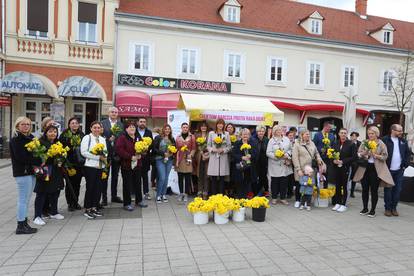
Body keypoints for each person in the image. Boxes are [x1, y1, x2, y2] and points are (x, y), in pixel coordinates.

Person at [353, 126, 394, 218]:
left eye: (372, 133)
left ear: (376, 134)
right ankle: (365, 208)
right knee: (365, 189)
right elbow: (358, 153)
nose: (370, 135)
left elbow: (385, 157)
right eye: (369, 133)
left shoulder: (381, 143)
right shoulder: (365, 142)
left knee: (374, 190)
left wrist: (375, 155)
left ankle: (373, 210)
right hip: (365, 168)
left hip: (376, 169)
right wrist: (365, 153)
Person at [10, 117, 40, 234]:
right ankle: (20, 225)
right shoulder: (16, 139)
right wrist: (37, 160)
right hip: (22, 172)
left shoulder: (31, 137)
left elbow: (37, 152)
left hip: (31, 172)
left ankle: (24, 222)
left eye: (28, 124)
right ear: (18, 126)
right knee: (23, 199)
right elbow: (21, 157)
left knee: (27, 199)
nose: (26, 126)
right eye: (23, 124)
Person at [33, 125, 65, 225]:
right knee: (41, 193)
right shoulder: (41, 143)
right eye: (50, 131)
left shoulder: (58, 142)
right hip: (45, 171)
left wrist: (61, 158)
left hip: (56, 171)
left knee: (55, 191)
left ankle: (54, 212)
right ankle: (37, 216)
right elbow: (36, 157)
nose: (53, 133)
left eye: (55, 132)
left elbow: (62, 155)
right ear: (46, 132)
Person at [116, 121, 148, 211]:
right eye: (130, 127)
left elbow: (144, 148)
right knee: (127, 184)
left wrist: (143, 153)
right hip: (127, 165)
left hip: (137, 165)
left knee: (138, 183)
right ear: (126, 129)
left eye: (133, 127)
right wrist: (130, 157)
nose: (132, 128)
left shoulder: (138, 137)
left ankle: (139, 200)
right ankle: (127, 203)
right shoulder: (122, 138)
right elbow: (119, 150)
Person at [382, 124, 411, 217]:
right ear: (393, 130)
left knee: (397, 190)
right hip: (388, 170)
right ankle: (387, 208)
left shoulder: (403, 141)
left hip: (399, 170)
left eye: (401, 130)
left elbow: (408, 153)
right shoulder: (385, 140)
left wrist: (405, 165)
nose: (401, 132)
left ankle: (394, 208)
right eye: (399, 130)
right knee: (388, 190)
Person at [81, 121, 107, 219]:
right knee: (90, 188)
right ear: (91, 128)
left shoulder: (102, 139)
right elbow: (83, 152)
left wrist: (104, 157)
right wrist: (97, 157)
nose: (97, 129)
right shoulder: (87, 138)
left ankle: (94, 207)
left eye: (98, 128)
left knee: (98, 188)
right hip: (90, 167)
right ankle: (87, 208)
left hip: (100, 167)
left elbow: (105, 151)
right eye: (94, 127)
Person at [292, 129, 324, 208]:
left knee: (309, 184)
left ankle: (306, 201)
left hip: (310, 169)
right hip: (301, 168)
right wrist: (298, 169)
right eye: (306, 134)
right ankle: (297, 200)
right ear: (301, 135)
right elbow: (294, 157)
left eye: (309, 134)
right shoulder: (297, 144)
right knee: (299, 184)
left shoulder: (312, 143)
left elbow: (316, 153)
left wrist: (319, 159)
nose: (308, 136)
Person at [59, 117, 85, 212]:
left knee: (77, 184)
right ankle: (70, 203)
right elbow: (60, 148)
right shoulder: (64, 135)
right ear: (69, 125)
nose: (74, 125)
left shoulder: (82, 135)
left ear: (78, 125)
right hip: (68, 163)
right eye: (72, 123)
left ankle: (76, 202)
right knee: (69, 184)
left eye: (76, 123)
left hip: (78, 163)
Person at [330, 128, 357, 213]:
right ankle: (338, 203)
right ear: (339, 134)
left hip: (346, 168)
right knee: (337, 186)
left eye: (345, 133)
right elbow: (331, 154)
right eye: (341, 133)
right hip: (337, 168)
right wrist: (333, 160)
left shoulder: (351, 144)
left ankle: (343, 204)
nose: (343, 134)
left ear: (347, 134)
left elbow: (354, 157)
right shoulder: (335, 143)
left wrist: (343, 161)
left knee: (345, 186)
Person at [101, 107, 124, 205]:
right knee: (104, 176)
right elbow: (99, 137)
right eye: (112, 112)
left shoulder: (121, 124)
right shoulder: (102, 123)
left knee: (115, 176)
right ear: (108, 113)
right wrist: (108, 140)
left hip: (117, 155)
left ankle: (114, 196)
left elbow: (123, 138)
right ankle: (104, 198)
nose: (114, 113)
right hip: (106, 154)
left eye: (116, 112)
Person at [266, 126, 292, 205]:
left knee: (284, 182)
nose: (279, 131)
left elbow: (290, 149)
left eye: (280, 130)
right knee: (275, 182)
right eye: (277, 130)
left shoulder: (287, 139)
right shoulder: (271, 140)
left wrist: (287, 155)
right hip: (275, 164)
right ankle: (274, 198)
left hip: (284, 164)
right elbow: (268, 152)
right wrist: (276, 156)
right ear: (274, 131)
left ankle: (283, 198)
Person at [153, 124, 176, 203]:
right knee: (162, 177)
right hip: (159, 159)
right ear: (163, 130)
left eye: (168, 129)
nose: (167, 130)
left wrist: (172, 152)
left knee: (166, 178)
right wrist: (163, 154)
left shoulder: (172, 138)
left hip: (169, 160)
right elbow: (154, 149)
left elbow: (174, 148)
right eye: (166, 129)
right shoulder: (158, 138)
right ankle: (158, 195)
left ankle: (163, 194)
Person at [207, 119, 231, 195]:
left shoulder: (226, 134)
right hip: (214, 157)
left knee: (222, 178)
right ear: (216, 125)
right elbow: (208, 145)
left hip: (223, 158)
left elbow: (229, 146)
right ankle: (213, 195)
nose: (220, 125)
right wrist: (212, 149)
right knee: (213, 178)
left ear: (224, 125)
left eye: (222, 124)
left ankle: (221, 195)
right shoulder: (211, 133)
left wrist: (223, 150)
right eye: (219, 124)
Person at [232, 128, 257, 198]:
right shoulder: (237, 143)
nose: (245, 136)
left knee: (247, 182)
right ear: (241, 135)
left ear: (249, 135)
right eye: (244, 134)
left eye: (247, 134)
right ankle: (240, 197)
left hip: (249, 167)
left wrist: (250, 155)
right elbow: (233, 154)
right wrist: (242, 157)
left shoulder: (252, 143)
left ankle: (245, 198)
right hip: (240, 166)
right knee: (239, 182)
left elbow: (256, 153)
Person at [175, 123, 196, 202]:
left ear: (188, 128)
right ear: (181, 128)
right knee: (180, 177)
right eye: (184, 127)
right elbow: (176, 149)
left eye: (186, 127)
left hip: (188, 159)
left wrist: (191, 155)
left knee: (187, 177)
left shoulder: (192, 137)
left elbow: (194, 148)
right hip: (180, 159)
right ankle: (181, 193)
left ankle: (186, 194)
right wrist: (176, 160)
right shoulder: (178, 137)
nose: (185, 128)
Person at [313, 122, 335, 188]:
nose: (330, 129)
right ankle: (317, 188)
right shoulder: (317, 135)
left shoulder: (332, 135)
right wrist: (320, 149)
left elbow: (334, 145)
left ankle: (325, 187)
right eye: (329, 128)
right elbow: (314, 146)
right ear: (325, 127)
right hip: (319, 157)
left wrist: (330, 149)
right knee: (318, 172)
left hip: (328, 158)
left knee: (327, 172)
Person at [136, 118, 153, 200]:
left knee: (145, 176)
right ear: (138, 123)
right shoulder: (134, 131)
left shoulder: (149, 132)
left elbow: (151, 144)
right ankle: (134, 192)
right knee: (135, 176)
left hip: (146, 157)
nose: (142, 123)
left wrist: (146, 149)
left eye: (144, 122)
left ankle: (146, 192)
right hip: (136, 157)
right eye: (141, 122)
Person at [194, 122, 210, 199]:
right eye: (202, 126)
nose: (203, 128)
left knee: (206, 175)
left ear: (207, 127)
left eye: (205, 126)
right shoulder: (196, 135)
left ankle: (205, 192)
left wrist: (205, 150)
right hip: (199, 156)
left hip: (207, 157)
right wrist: (200, 150)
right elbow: (195, 145)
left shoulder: (209, 134)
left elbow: (211, 145)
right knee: (199, 174)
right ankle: (199, 191)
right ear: (200, 127)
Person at [253, 125, 269, 196]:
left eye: (262, 131)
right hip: (255, 161)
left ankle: (264, 190)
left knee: (263, 177)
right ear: (257, 132)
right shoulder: (252, 139)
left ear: (264, 132)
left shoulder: (267, 140)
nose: (261, 133)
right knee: (255, 177)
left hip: (264, 162)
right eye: (259, 131)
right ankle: (255, 191)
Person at [225, 123, 237, 196]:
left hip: (234, 159)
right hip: (226, 158)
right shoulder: (224, 136)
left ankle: (232, 191)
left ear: (233, 129)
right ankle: (226, 191)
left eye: (231, 127)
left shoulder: (236, 137)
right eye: (228, 127)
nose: (229, 129)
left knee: (233, 175)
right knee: (226, 175)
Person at [349, 131, 361, 198]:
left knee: (354, 178)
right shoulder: (348, 143)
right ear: (350, 137)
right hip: (349, 163)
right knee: (348, 178)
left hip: (356, 163)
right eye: (352, 136)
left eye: (355, 136)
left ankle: (352, 192)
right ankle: (346, 190)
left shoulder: (360, 143)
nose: (354, 137)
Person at [286, 130, 297, 199]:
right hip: (287, 163)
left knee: (292, 178)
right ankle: (285, 192)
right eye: (290, 135)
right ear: (287, 136)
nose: (291, 137)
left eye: (292, 136)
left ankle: (290, 192)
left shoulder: (296, 143)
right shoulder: (285, 143)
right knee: (286, 178)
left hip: (294, 163)